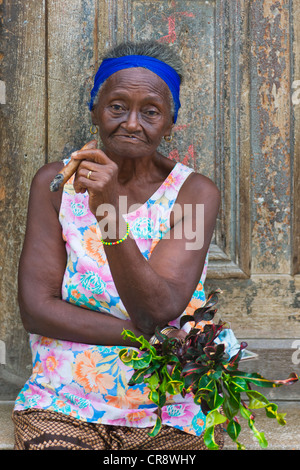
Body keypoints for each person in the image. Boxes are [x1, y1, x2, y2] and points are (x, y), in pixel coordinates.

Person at [12, 40, 224, 450]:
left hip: (166, 406)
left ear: (170, 121)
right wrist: (148, 338)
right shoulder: (55, 185)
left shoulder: (195, 195)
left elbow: (159, 308)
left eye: (150, 111)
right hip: (62, 398)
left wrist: (108, 210)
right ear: (95, 109)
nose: (131, 123)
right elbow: (36, 308)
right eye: (116, 107)